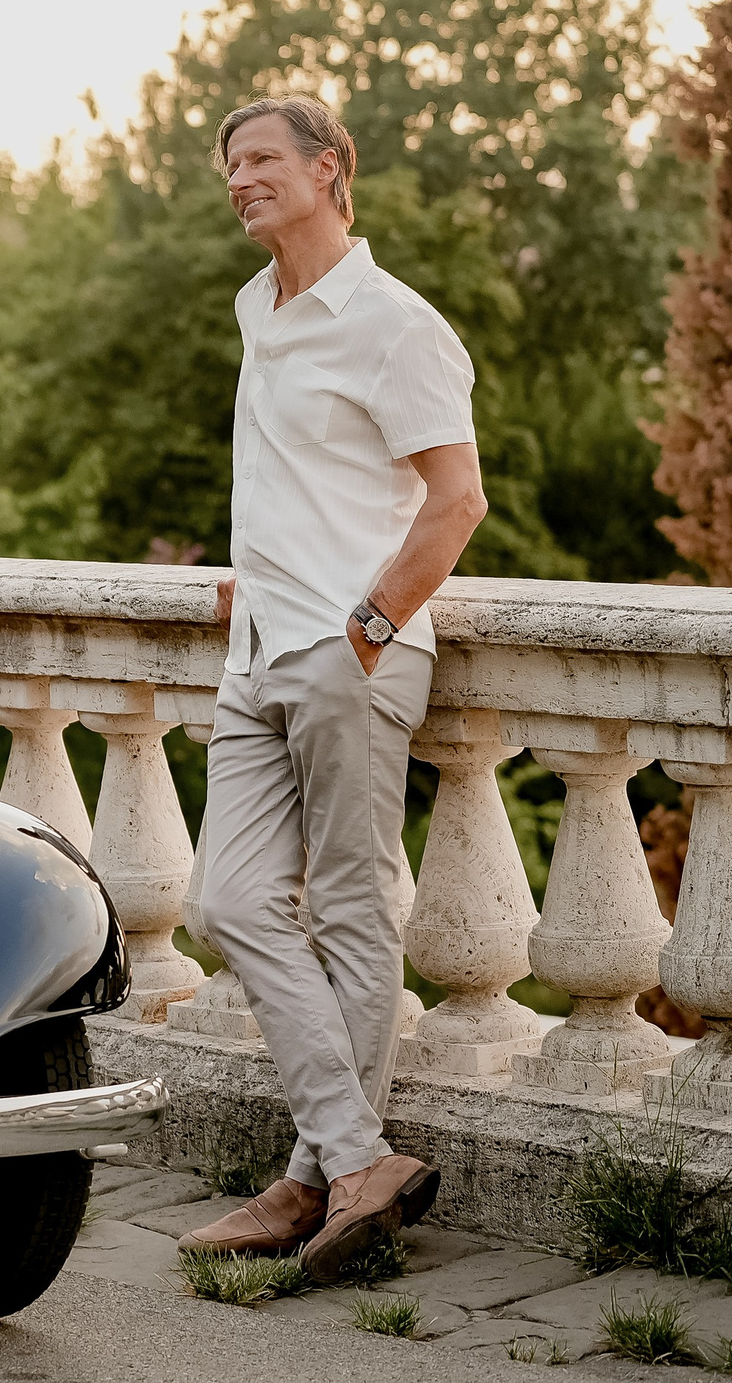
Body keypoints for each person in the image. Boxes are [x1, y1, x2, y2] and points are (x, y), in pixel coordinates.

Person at [174, 96, 488, 1282]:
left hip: (351, 654)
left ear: (328, 170)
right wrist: (255, 579)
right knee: (226, 900)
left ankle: (310, 1188)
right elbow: (297, 474)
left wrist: (363, 629)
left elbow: (455, 500)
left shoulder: (398, 324)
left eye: (259, 160)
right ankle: (353, 1163)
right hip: (256, 648)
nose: (238, 180)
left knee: (354, 915)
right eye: (229, 165)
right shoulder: (258, 307)